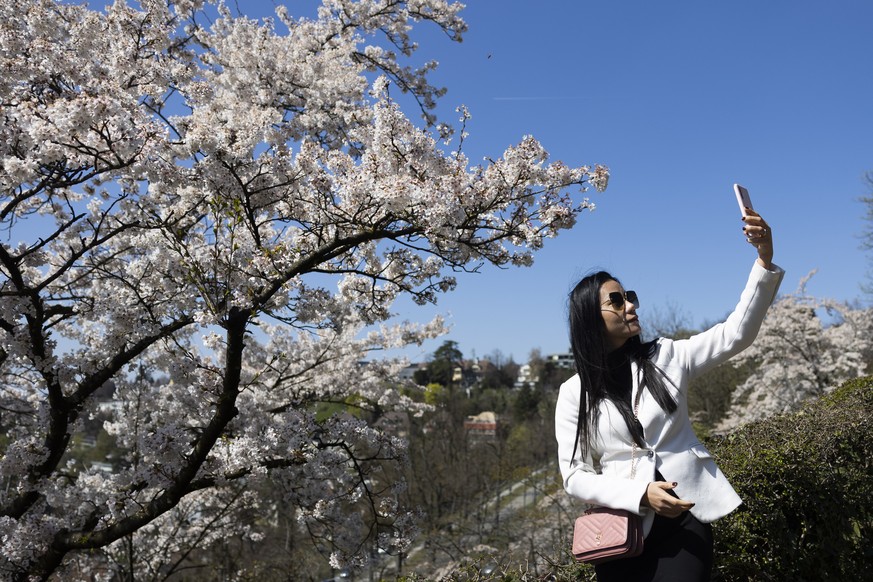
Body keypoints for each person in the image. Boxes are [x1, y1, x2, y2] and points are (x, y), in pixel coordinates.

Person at [554, 208, 784, 581]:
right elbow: (575, 475)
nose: (630, 305)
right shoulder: (573, 393)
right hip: (620, 533)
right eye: (616, 300)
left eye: (628, 296)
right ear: (590, 318)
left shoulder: (667, 356)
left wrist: (764, 260)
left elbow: (735, 334)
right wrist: (641, 494)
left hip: (685, 522)